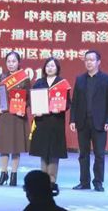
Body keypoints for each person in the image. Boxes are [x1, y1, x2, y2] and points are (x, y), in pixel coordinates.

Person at [70, 50, 108, 192]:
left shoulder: (107, 79)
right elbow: (75, 102)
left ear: (98, 62)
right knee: (83, 154)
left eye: (92, 60)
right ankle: (84, 182)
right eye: (87, 60)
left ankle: (98, 182)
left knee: (99, 154)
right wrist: (72, 120)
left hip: (100, 123)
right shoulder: (80, 79)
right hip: (82, 122)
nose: (89, 62)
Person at [0, 51, 30, 187]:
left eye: (14, 61)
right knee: (4, 147)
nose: (11, 64)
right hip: (4, 116)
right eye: (8, 61)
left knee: (16, 147)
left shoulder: (24, 79)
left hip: (18, 116)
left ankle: (14, 174)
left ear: (19, 62)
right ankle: (3, 173)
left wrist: (23, 107)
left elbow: (29, 98)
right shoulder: (1, 77)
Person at [29, 57, 70, 190]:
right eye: (48, 66)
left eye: (52, 66)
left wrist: (61, 108)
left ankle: (52, 180)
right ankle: (43, 180)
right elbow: (32, 101)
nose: (50, 68)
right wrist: (35, 111)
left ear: (57, 68)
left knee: (53, 152)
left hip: (56, 121)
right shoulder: (39, 83)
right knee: (43, 151)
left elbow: (68, 103)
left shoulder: (62, 83)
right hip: (42, 121)